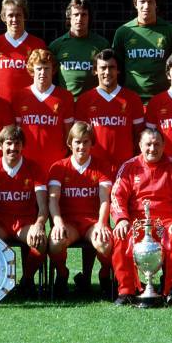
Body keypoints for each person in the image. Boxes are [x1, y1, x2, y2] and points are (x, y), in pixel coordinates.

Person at [110, 129, 172, 306]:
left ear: (164, 145)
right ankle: (127, 291)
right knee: (121, 235)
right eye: (148, 144)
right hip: (138, 222)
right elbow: (117, 196)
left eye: (156, 144)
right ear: (140, 145)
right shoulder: (128, 167)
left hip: (166, 222)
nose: (152, 148)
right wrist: (121, 219)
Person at [0, 125, 48, 297]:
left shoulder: (35, 168)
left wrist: (39, 224)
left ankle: (26, 281)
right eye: (8, 143)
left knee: (40, 241)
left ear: (22, 146)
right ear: (0, 145)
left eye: (17, 143)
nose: (13, 148)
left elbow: (43, 205)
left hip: (24, 222)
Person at [47, 122, 113, 297]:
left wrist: (101, 223)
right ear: (70, 144)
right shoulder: (59, 167)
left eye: (86, 141)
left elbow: (105, 198)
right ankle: (62, 274)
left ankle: (105, 275)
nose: (81, 146)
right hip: (70, 223)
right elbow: (53, 200)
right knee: (55, 243)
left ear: (92, 143)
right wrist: (58, 223)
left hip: (92, 222)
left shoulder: (102, 165)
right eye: (77, 142)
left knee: (105, 244)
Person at [75, 48, 145, 174]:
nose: (107, 72)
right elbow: (78, 137)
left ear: (118, 70)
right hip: (94, 169)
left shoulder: (132, 99)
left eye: (111, 67)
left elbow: (139, 136)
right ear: (95, 71)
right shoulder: (84, 100)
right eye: (103, 68)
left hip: (125, 168)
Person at [112, 0, 172, 103]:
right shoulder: (123, 32)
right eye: (142, 1)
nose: (146, 6)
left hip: (164, 98)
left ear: (156, 4)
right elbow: (116, 67)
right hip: (131, 99)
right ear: (135, 4)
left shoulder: (171, 31)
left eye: (150, 2)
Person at [12, 48, 75, 173]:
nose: (42, 72)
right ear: (31, 70)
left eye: (47, 68)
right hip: (26, 162)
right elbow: (16, 132)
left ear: (53, 71)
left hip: (56, 161)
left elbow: (69, 132)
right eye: (39, 68)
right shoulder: (20, 96)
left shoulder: (65, 97)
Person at [0, 0, 47, 102]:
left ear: (24, 16)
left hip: (30, 105)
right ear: (3, 17)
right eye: (10, 15)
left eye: (18, 15)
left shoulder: (38, 44)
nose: (14, 19)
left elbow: (45, 78)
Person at [49, 0, 110, 98]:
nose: (79, 18)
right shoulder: (56, 46)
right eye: (76, 14)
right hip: (65, 104)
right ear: (69, 17)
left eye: (84, 14)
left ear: (89, 17)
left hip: (93, 104)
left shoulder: (102, 44)